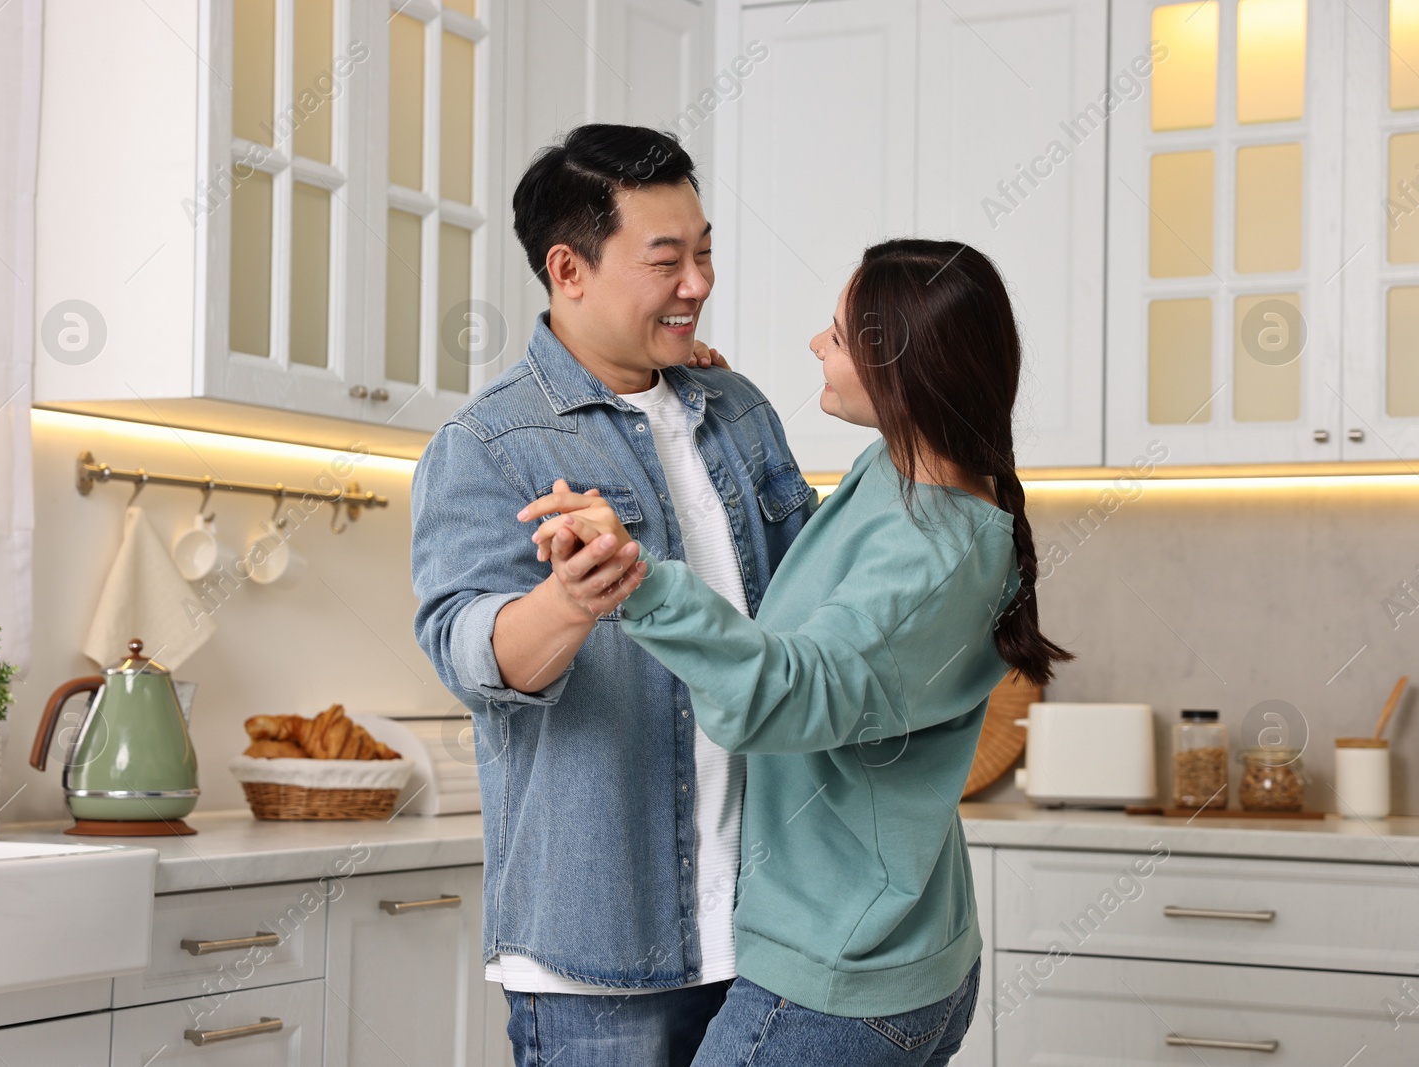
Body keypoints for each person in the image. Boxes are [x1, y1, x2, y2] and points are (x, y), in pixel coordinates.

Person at [519, 239, 1073, 1066]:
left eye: (841, 336)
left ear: (906, 369)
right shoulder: (902, 473)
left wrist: (639, 578)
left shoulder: (934, 551)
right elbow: (821, 592)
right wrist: (708, 401)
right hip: (899, 947)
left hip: (838, 980)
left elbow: (787, 691)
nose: (818, 343)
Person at [411, 124, 818, 1067]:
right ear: (570, 268)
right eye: (666, 260)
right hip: (601, 959)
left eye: (705, 252)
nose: (698, 283)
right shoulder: (489, 444)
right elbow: (469, 650)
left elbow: (807, 616)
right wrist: (571, 599)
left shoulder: (740, 411)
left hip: (771, 928)